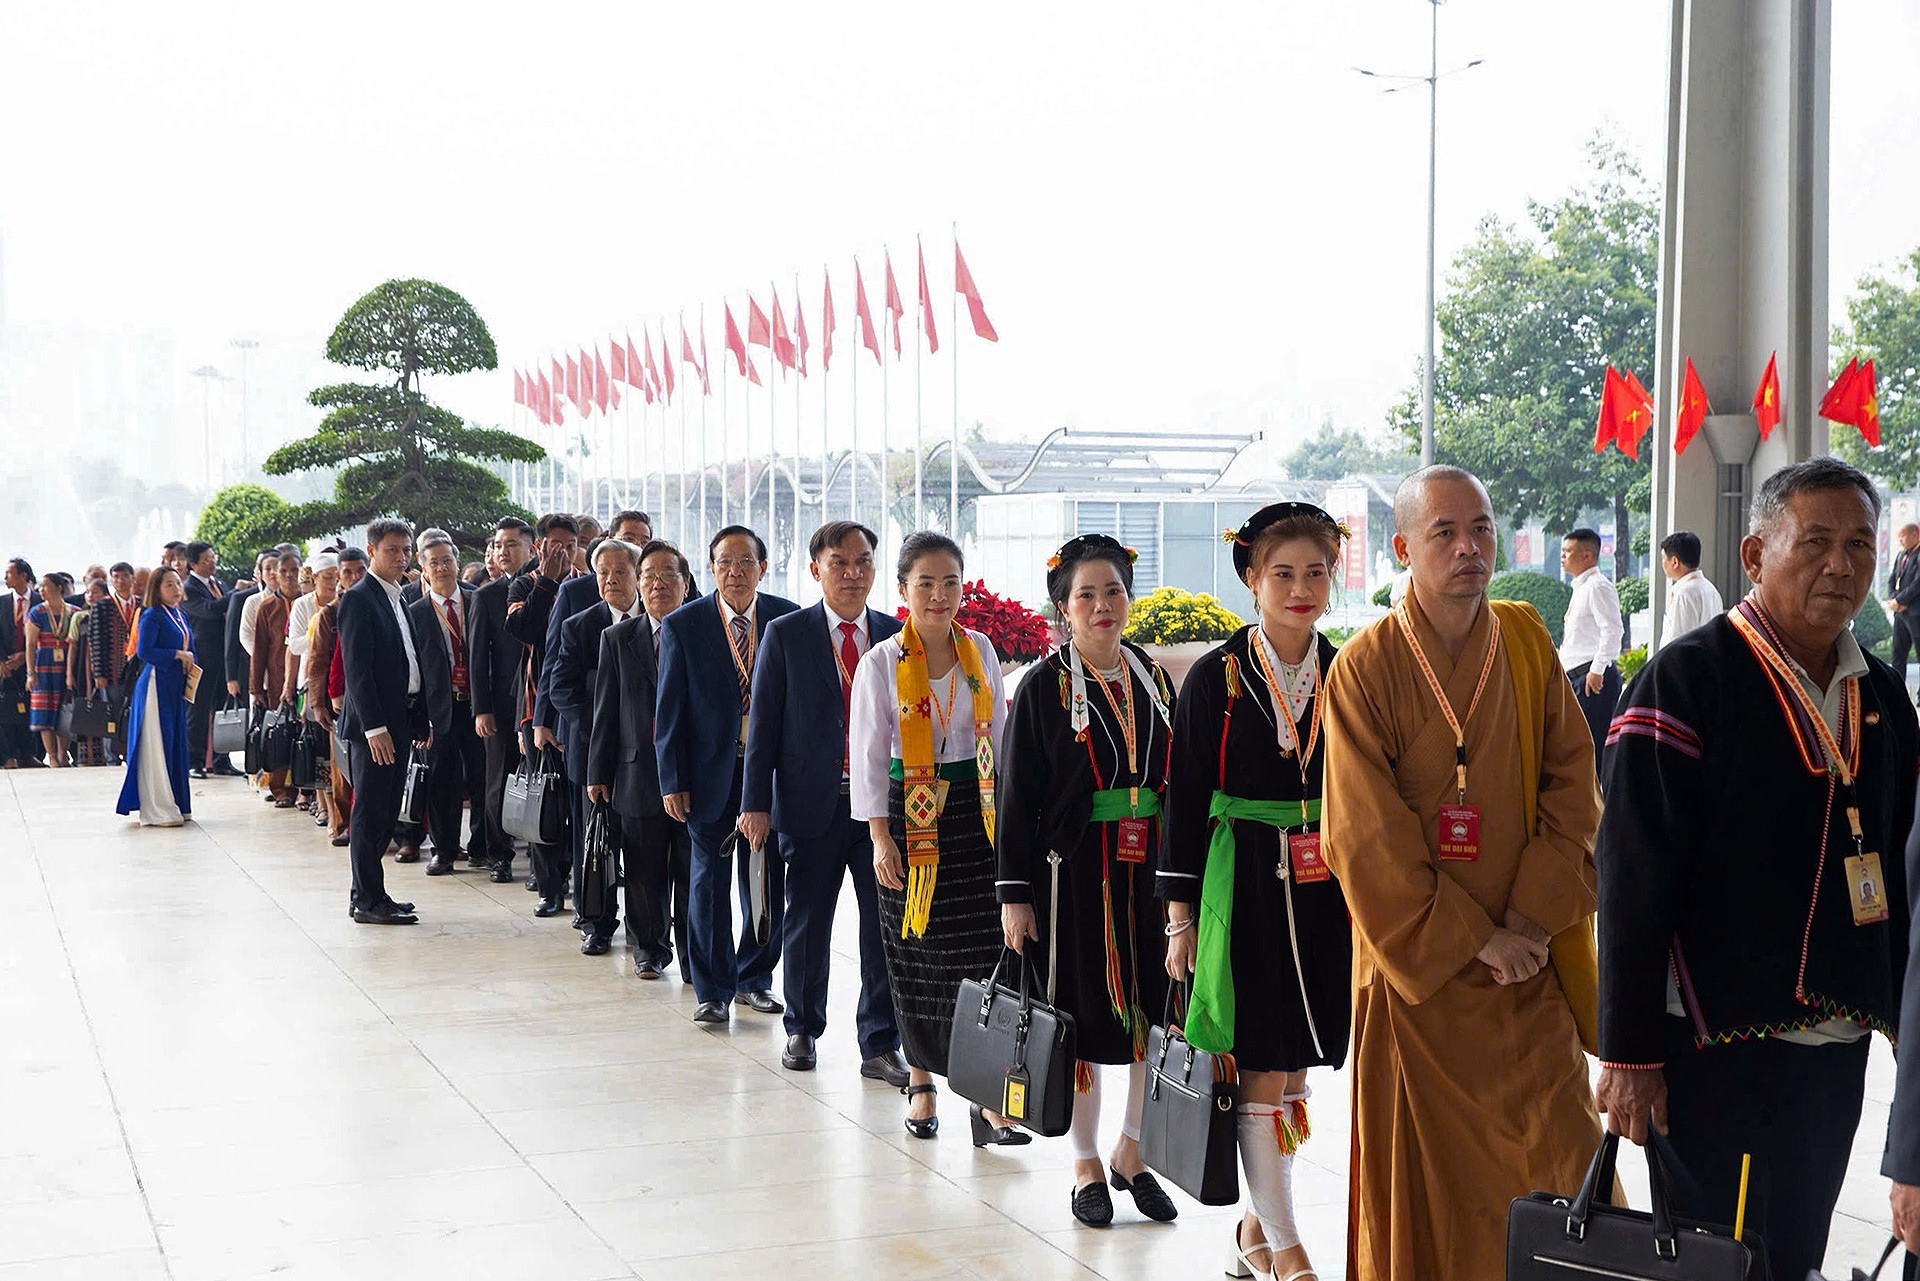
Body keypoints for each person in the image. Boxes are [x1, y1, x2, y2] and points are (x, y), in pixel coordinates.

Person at [1599, 459, 1917, 1281]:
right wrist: (1628, 1051)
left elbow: (1901, 868)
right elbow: (1632, 878)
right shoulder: (1686, 679)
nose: (1841, 565)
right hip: (1714, 1045)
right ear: (1754, 554)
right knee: (1717, 1259)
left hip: (1835, 1042)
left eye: (1860, 544)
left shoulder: (1883, 695)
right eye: (1815, 542)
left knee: (1797, 1251)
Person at [1320, 465, 1604, 1281]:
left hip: (1531, 963)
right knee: (1434, 1203)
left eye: (1480, 528)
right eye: (1444, 532)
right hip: (1423, 981)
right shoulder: (1365, 666)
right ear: (1403, 548)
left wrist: (1526, 923)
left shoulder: (1525, 638)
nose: (1468, 547)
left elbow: (1573, 783)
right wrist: (1477, 939)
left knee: (1564, 1155)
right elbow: (1363, 836)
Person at [1161, 508, 1358, 1273]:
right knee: (1261, 1063)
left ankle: (1254, 1230)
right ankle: (1287, 1248)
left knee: (1297, 1063)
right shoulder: (1218, 675)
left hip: (1321, 881)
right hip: (1239, 878)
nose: (1301, 588)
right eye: (1283, 573)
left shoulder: (1345, 668)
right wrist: (1180, 917)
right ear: (1251, 579)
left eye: (1316, 572)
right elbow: (1184, 795)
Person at [998, 533, 1180, 1227]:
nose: (1103, 605)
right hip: (1072, 876)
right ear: (1064, 608)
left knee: (1152, 1009)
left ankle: (1131, 1151)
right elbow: (1015, 797)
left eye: (1114, 591)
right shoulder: (1043, 687)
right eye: (1087, 595)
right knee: (1079, 1017)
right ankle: (1084, 1163)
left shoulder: (1153, 677)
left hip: (1148, 871)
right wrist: (1014, 895)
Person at [849, 532, 1017, 1142]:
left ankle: (986, 1095)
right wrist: (879, 838)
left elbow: (1000, 736)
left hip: (977, 815)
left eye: (950, 582)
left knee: (983, 957)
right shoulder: (882, 661)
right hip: (907, 819)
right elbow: (868, 757)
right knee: (914, 953)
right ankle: (921, 1084)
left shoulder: (980, 650)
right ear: (903, 590)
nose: (939, 595)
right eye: (926, 583)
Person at [740, 521, 910, 1086]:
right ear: (816, 569)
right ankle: (802, 1028)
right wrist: (755, 803)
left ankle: (880, 1041)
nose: (853, 573)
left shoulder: (896, 635)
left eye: (863, 562)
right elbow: (764, 726)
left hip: (881, 810)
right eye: (840, 562)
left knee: (882, 928)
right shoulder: (786, 634)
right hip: (811, 804)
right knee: (808, 922)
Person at [656, 526, 798, 1024]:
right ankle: (712, 989)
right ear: (711, 568)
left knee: (765, 877)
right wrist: (672, 780)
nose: (735, 572)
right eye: (725, 563)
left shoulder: (787, 618)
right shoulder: (684, 624)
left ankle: (754, 977)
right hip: (708, 774)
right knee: (708, 883)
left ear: (763, 567)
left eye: (746, 562)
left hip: (773, 774)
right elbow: (668, 712)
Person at [588, 540, 696, 979]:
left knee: (693, 873)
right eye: (649, 576)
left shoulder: (703, 633)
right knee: (642, 870)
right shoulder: (617, 638)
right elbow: (605, 711)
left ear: (686, 583)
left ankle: (694, 956)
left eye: (668, 575)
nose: (657, 584)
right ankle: (648, 949)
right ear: (638, 583)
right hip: (636, 773)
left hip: (694, 775)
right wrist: (597, 772)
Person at [536, 510, 653, 914]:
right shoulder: (580, 625)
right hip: (591, 749)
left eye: (620, 571)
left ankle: (645, 930)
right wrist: (602, 728)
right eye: (603, 572)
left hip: (646, 755)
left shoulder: (660, 620)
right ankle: (595, 923)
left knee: (642, 847)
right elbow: (560, 686)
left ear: (638, 575)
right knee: (594, 839)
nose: (610, 579)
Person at [336, 518, 424, 926]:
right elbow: (358, 672)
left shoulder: (399, 596)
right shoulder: (359, 598)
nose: (402, 558)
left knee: (388, 812)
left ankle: (371, 893)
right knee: (370, 813)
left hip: (401, 719)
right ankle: (366, 900)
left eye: (406, 550)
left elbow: (409, 659)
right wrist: (375, 729)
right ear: (371, 551)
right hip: (376, 728)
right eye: (392, 550)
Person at [506, 513, 584, 914]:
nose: (564, 554)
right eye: (555, 547)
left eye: (570, 546)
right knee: (545, 800)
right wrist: (548, 582)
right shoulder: (525, 583)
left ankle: (579, 880)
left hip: (579, 711)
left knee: (578, 803)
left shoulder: (589, 583)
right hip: (536, 707)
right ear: (538, 547)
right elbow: (525, 629)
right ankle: (549, 888)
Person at [406, 532, 485, 876]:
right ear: (423, 568)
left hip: (478, 706)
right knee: (442, 782)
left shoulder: (478, 600)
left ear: (457, 562)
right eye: (433, 562)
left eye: (447, 560)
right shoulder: (415, 612)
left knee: (484, 779)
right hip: (439, 709)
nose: (441, 568)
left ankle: (482, 846)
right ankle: (444, 850)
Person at [469, 517, 534, 883]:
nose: (502, 551)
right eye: (498, 544)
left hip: (538, 702)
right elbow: (478, 657)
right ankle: (499, 854)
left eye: (511, 543)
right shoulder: (487, 596)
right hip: (501, 704)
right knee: (499, 780)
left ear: (531, 547)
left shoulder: (547, 587)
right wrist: (482, 709)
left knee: (542, 780)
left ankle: (543, 858)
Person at [116, 567, 193, 826]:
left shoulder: (179, 614)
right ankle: (157, 809)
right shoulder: (151, 615)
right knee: (158, 744)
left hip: (175, 686)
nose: (176, 588)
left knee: (175, 743)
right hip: (155, 685)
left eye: (178, 583)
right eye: (169, 584)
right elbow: (144, 651)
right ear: (156, 589)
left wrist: (190, 662)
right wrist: (177, 655)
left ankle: (178, 802)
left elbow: (189, 647)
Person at [1559, 528, 1623, 766]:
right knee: (1578, 750)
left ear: (1587, 556)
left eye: (1568, 551)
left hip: (1593, 680)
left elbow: (1613, 631)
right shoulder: (1581, 587)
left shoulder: (1597, 586)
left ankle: (1597, 792)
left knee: (1593, 751)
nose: (1562, 556)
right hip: (1578, 678)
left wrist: (1597, 670)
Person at [250, 550, 302, 806]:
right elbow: (258, 650)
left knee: (304, 736)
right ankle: (281, 790)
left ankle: (306, 789)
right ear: (275, 576)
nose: (290, 576)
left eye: (294, 571)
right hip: (276, 682)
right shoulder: (267, 606)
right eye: (284, 571)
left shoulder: (309, 601)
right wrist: (256, 689)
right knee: (279, 736)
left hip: (305, 680)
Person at [181, 542, 233, 778]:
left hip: (223, 656)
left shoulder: (218, 584)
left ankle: (222, 760)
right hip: (201, 657)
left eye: (213, 557)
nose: (212, 562)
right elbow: (210, 610)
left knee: (223, 709)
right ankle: (195, 762)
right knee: (198, 712)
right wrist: (234, 594)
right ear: (193, 564)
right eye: (206, 559)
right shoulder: (188, 588)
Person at [25, 572, 77, 766]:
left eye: (46, 586)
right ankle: (52, 756)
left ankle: (63, 753)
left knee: (65, 710)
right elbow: (30, 645)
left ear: (58, 587)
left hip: (66, 668)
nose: (41, 590)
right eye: (40, 586)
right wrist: (30, 673)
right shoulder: (37, 612)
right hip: (43, 668)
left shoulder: (73, 612)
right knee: (44, 711)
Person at [1656, 530, 1724, 649]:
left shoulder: (1684, 594)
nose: (1662, 563)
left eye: (1663, 558)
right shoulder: (1711, 589)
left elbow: (1677, 644)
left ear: (1675, 562)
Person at [0, 558, 36, 767]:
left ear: (23, 576)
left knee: (30, 709)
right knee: (5, 710)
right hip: (6, 666)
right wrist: (1, 662)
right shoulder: (2, 602)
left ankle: (29, 754)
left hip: (32, 665)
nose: (5, 577)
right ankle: (8, 755)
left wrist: (26, 655)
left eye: (9, 573)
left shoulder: (40, 600)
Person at [1887, 523, 1920, 688]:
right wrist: (1893, 600)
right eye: (1898, 537)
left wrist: (1900, 601)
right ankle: (1897, 692)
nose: (1900, 540)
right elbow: (1892, 579)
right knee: (1898, 654)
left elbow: (1917, 584)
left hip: (1915, 613)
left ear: (1914, 535)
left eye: (1903, 536)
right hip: (1900, 614)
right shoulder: (1901, 555)